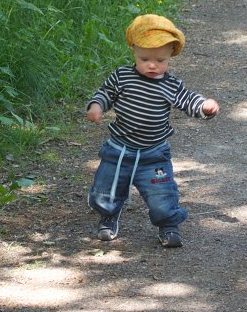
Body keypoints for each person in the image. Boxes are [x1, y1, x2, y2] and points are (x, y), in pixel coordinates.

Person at [86, 14, 219, 248]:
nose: (152, 65)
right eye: (144, 58)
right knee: (107, 187)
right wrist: (96, 106)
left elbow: (188, 99)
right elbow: (105, 93)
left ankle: (168, 225)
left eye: (160, 59)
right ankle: (108, 216)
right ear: (134, 51)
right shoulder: (122, 76)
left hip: (153, 153)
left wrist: (204, 107)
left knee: (162, 195)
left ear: (170, 56)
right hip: (119, 149)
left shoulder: (170, 84)